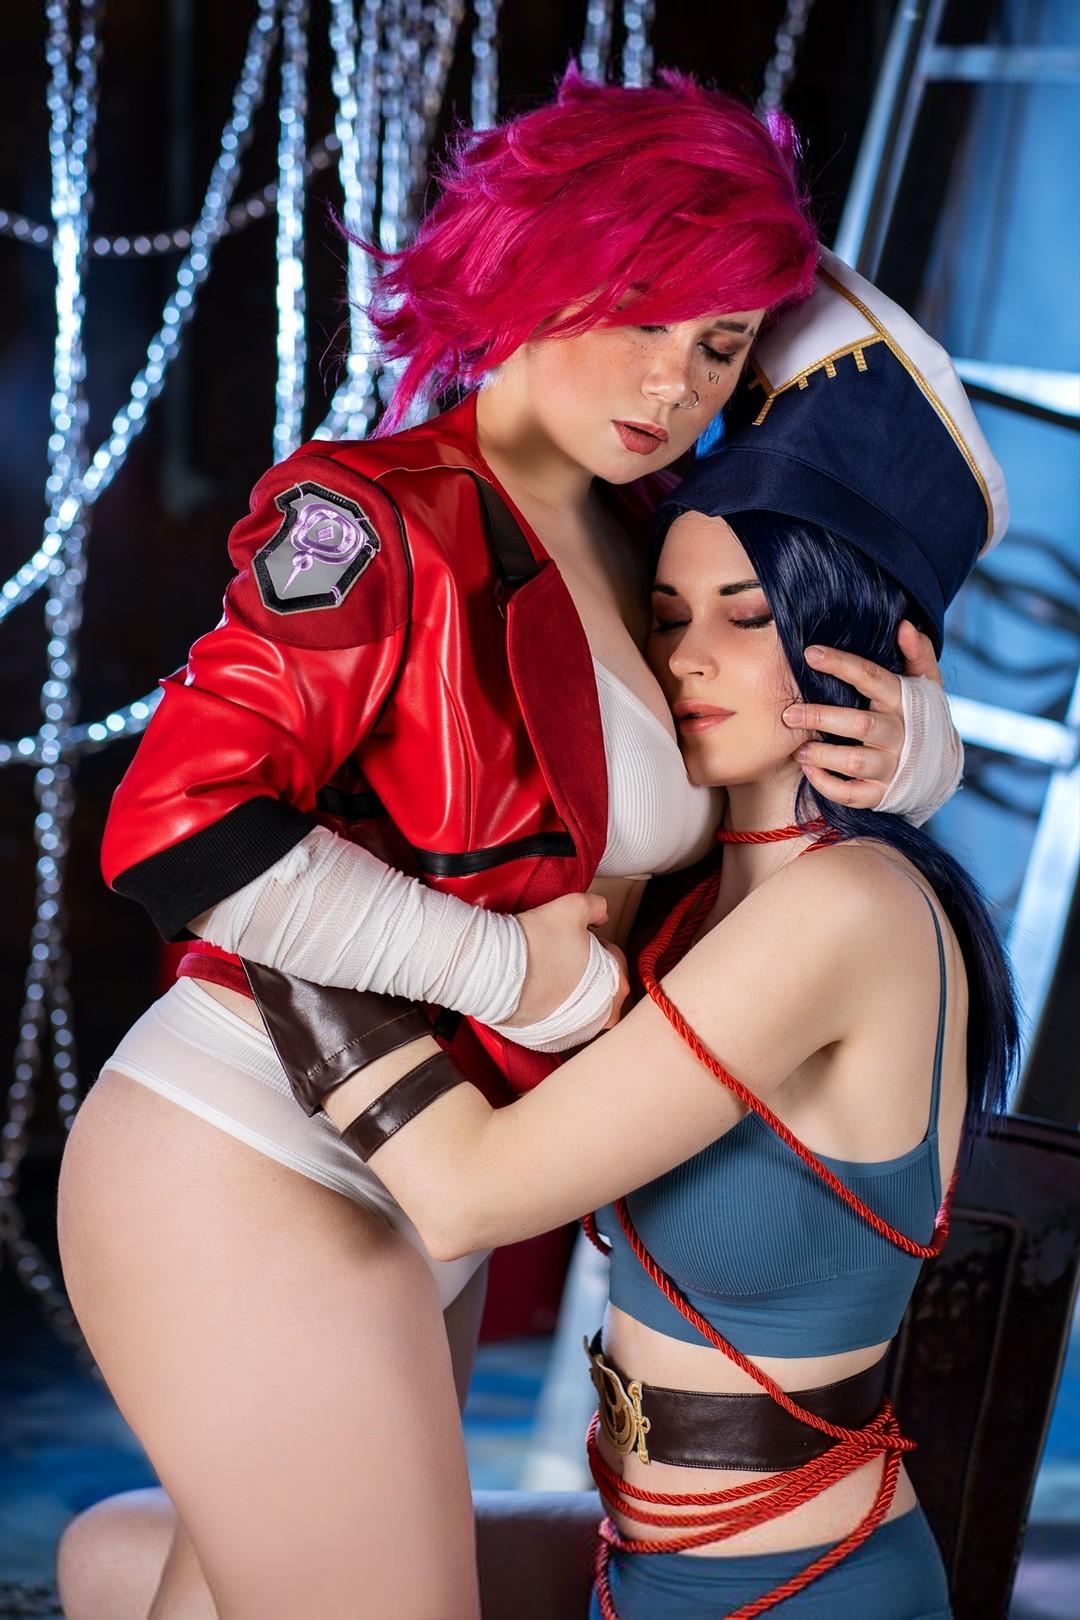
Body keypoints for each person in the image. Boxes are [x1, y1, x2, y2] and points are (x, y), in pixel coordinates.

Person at [56, 70, 960, 1620]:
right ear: (541, 263)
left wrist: (906, 758)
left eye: (721, 345)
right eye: (645, 310)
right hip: (252, 1137)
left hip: (442, 1171)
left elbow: (755, 864)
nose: (675, 381)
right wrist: (501, 967)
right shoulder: (371, 515)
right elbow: (177, 827)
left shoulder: (656, 538)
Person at [219, 252, 1015, 1618]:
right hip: (632, 1557)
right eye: (665, 615)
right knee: (120, 1550)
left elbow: (467, 1192)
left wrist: (269, 884)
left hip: (791, 1589)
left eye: (747, 616)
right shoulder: (700, 896)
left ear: (854, 639)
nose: (687, 657)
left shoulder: (851, 908)